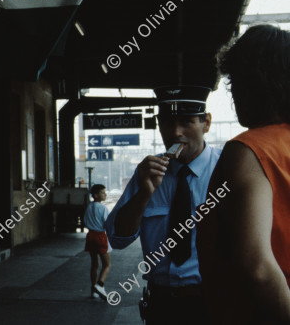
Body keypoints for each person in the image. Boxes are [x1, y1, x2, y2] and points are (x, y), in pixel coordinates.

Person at [197, 24, 290, 324]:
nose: (233, 92)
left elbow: (258, 268)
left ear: (258, 83)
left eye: (236, 80)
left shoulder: (247, 150)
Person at [105, 85, 220, 325]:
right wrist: (144, 194)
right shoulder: (148, 172)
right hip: (162, 305)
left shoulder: (228, 170)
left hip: (214, 301)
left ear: (206, 123)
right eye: (167, 122)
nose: (176, 132)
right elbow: (118, 238)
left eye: (187, 122)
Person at [84, 184, 111, 300]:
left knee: (94, 264)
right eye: (103, 192)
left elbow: (85, 221)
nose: (105, 194)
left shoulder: (89, 207)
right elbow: (108, 224)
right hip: (100, 236)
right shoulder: (103, 208)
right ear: (96, 195)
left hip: (90, 236)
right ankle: (100, 284)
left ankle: (93, 291)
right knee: (107, 264)